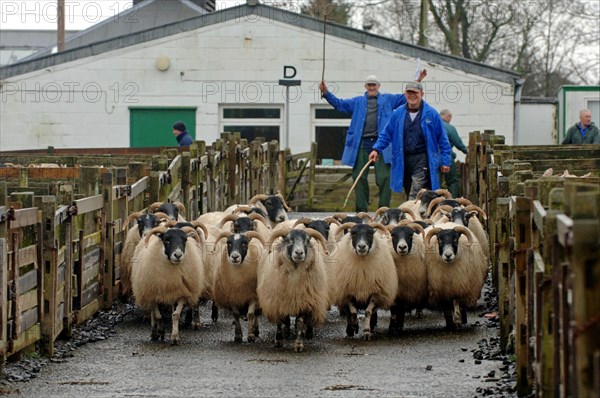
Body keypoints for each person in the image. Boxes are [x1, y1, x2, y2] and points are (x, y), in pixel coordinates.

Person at [319, 70, 427, 212]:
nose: (371, 87)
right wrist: (326, 93)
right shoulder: (357, 102)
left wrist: (418, 80)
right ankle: (361, 211)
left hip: (382, 145)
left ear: (379, 86)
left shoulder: (388, 100)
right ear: (365, 86)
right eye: (369, 85)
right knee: (359, 177)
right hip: (362, 144)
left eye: (374, 85)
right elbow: (339, 104)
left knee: (384, 178)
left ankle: (383, 210)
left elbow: (406, 97)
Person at [368, 82, 452, 200]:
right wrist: (376, 149)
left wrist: (446, 161)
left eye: (415, 93)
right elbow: (386, 134)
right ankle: (420, 215)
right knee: (408, 189)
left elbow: (443, 139)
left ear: (422, 94)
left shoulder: (432, 114)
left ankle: (411, 214)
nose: (412, 96)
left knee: (416, 190)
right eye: (409, 93)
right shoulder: (397, 113)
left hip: (423, 158)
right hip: (403, 158)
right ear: (405, 95)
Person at [439, 109, 468, 198]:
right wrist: (466, 151)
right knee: (453, 181)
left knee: (436, 182)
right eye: (450, 117)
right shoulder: (449, 127)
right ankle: (452, 201)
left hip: (433, 158)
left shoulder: (433, 126)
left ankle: (436, 202)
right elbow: (457, 142)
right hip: (447, 158)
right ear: (447, 116)